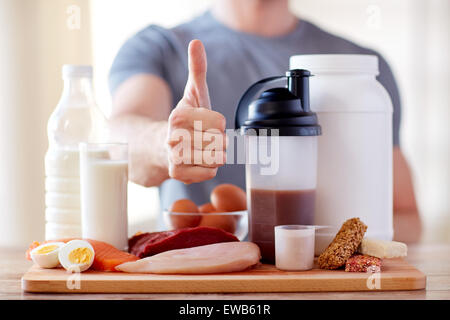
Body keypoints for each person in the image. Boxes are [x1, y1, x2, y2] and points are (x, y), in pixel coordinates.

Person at [108, 0, 421, 242]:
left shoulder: (361, 70)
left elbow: (405, 217)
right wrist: (168, 143)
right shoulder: (160, 48)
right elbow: (121, 142)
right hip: (197, 279)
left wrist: (334, 250)